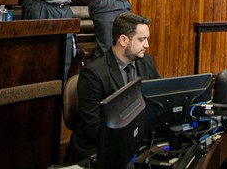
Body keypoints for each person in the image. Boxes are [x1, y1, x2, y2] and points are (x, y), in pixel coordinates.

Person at [65, 12, 160, 164]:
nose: (147, 45)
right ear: (123, 40)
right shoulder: (93, 73)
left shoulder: (145, 61)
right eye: (141, 39)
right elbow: (92, 128)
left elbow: (158, 99)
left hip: (137, 141)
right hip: (100, 149)